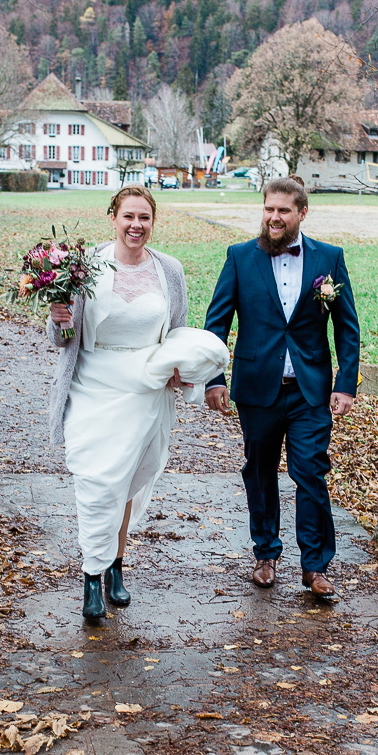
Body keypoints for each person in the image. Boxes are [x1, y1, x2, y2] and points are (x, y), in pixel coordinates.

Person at [48, 185, 228, 622]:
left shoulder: (170, 271)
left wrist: (184, 370)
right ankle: (91, 576)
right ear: (113, 217)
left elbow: (179, 333)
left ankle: (115, 566)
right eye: (128, 216)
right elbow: (62, 340)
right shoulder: (84, 266)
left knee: (126, 483)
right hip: (93, 386)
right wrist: (59, 319)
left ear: (153, 221)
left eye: (144, 217)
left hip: (145, 392)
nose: (136, 225)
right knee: (96, 482)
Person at [204, 177, 360, 599]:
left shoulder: (329, 258)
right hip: (257, 389)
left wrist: (346, 384)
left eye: (283, 211)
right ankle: (266, 554)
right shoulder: (240, 258)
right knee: (259, 471)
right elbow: (216, 323)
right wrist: (214, 378)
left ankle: (316, 566)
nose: (274, 217)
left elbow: (347, 327)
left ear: (301, 213)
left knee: (310, 471)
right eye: (269, 209)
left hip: (310, 390)